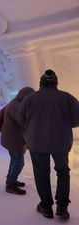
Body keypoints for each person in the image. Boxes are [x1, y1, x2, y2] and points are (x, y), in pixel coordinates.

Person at [19, 69, 79, 220]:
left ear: (41, 83)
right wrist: (65, 124)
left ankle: (46, 207)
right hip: (61, 142)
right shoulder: (67, 98)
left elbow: (20, 118)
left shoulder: (31, 98)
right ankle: (62, 207)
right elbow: (77, 119)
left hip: (37, 142)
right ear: (56, 83)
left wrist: (32, 127)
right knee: (63, 172)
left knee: (41, 173)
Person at [0, 87, 34, 195]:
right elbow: (23, 122)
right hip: (13, 139)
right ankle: (10, 185)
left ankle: (11, 180)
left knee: (14, 160)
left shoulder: (16, 103)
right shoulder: (17, 106)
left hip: (11, 137)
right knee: (19, 162)